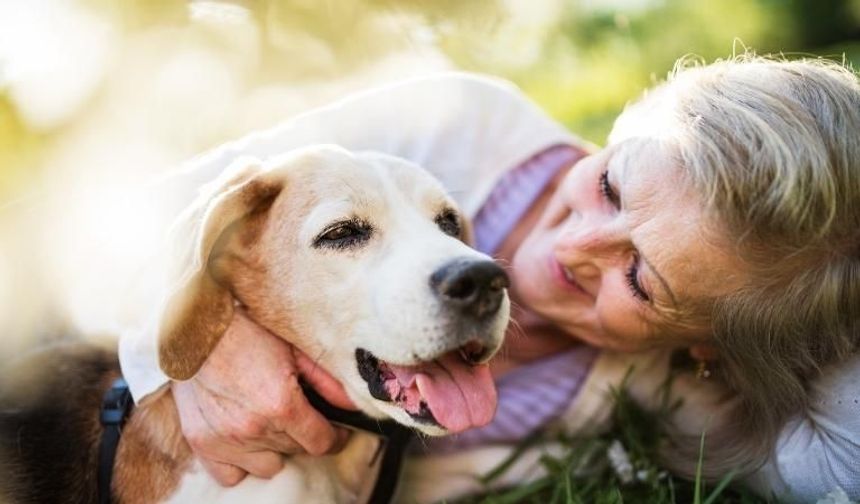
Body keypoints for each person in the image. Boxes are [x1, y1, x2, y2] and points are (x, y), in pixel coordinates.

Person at [119, 55, 860, 502]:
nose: (571, 249)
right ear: (625, 129)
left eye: (639, 281)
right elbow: (105, 226)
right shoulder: (460, 122)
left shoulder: (675, 391)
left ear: (709, 345)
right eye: (608, 185)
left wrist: (825, 289)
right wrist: (189, 346)